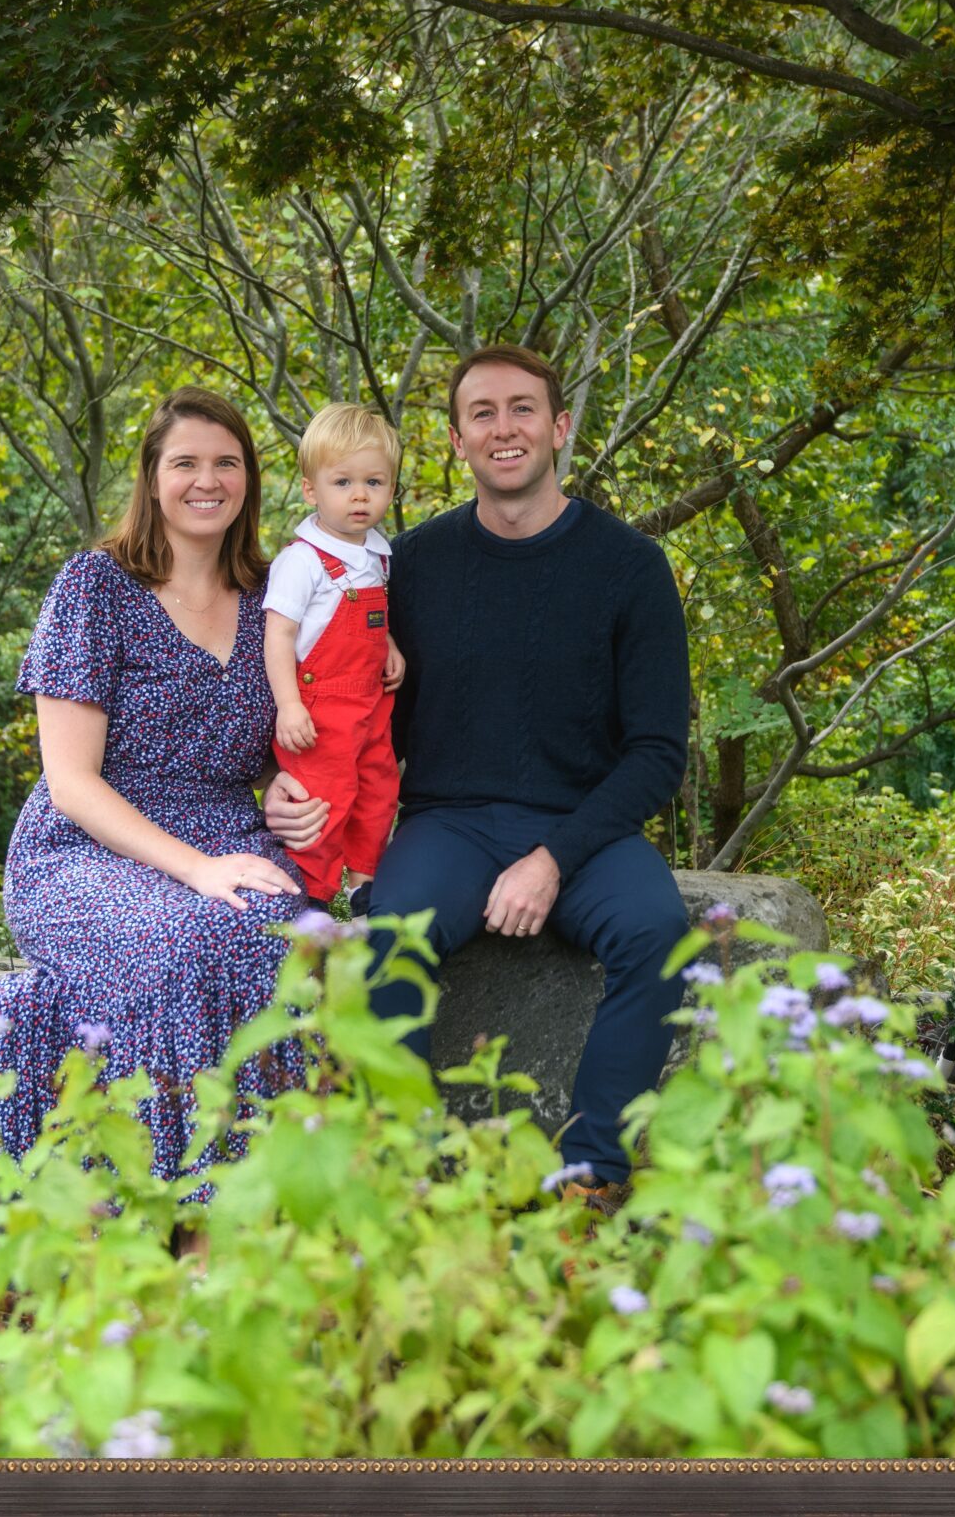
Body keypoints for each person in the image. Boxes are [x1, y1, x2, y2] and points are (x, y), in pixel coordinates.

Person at [266, 345, 692, 1211]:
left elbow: (658, 751)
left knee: (657, 934)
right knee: (390, 939)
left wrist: (552, 859)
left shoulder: (629, 568)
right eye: (483, 415)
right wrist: (282, 782)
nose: (505, 429)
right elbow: (328, 688)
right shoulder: (407, 565)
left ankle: (595, 1174)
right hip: (448, 823)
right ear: (457, 440)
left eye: (523, 409)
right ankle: (409, 1178)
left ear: (560, 427)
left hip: (586, 827)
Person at [0, 387, 311, 1186]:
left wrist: (283, 784)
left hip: (231, 833)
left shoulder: (276, 598)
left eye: (228, 463)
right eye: (185, 462)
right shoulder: (95, 588)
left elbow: (267, 738)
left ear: (250, 480)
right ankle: (181, 1215)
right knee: (190, 942)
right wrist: (194, 870)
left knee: (277, 937)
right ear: (152, 477)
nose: (207, 480)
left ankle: (264, 1197)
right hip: (84, 847)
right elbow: (72, 781)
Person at [263, 402, 405, 902]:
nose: (360, 496)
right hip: (319, 710)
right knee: (325, 800)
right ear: (311, 489)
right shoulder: (302, 561)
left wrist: (387, 645)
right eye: (342, 483)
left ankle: (366, 884)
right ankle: (312, 897)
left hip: (369, 703)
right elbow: (278, 635)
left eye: (375, 482)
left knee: (378, 788)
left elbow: (368, 617)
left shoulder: (376, 553)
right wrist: (289, 705)